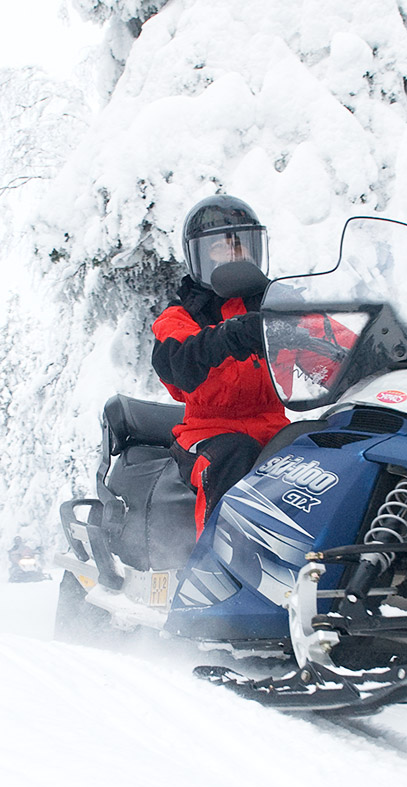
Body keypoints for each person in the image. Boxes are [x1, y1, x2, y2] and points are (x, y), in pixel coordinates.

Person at [152, 195, 290, 534]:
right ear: (198, 255)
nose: (234, 254)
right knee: (233, 455)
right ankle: (216, 569)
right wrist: (231, 335)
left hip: (275, 429)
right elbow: (177, 363)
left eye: (241, 245)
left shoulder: (278, 305)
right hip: (208, 434)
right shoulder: (181, 315)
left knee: (325, 449)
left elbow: (326, 338)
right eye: (220, 248)